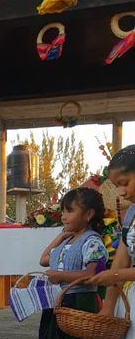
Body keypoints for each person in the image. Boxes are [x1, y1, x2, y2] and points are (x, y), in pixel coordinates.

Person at [38, 188, 108, 339]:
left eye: (69, 211)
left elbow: (93, 273)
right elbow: (43, 259)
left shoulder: (92, 242)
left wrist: (60, 276)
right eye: (62, 212)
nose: (63, 217)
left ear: (88, 214)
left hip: (78, 304)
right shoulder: (67, 241)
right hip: (59, 302)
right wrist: (61, 237)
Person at [87, 145, 135, 338]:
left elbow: (118, 270)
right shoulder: (132, 213)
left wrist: (116, 275)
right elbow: (121, 259)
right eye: (117, 186)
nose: (121, 192)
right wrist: (108, 307)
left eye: (124, 182)